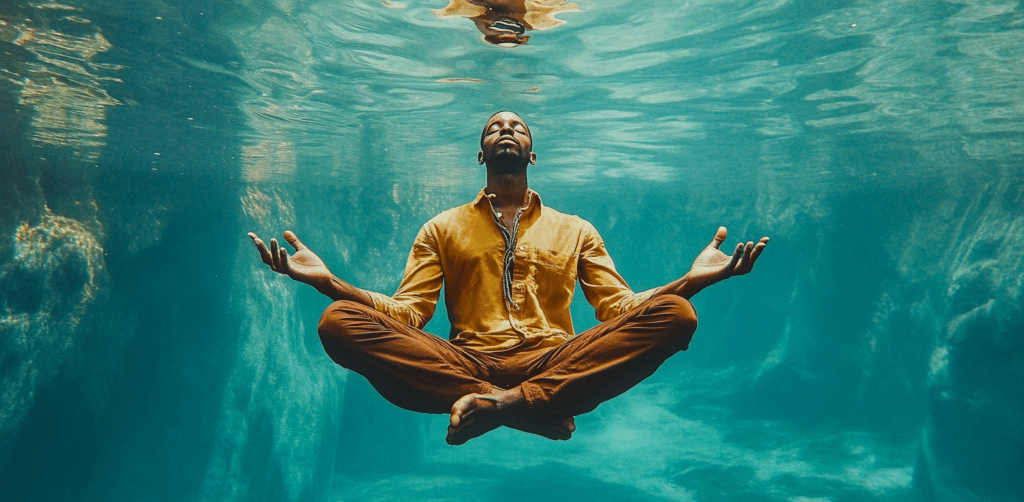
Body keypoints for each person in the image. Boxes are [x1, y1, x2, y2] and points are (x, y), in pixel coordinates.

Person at [248, 111, 768, 445]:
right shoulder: (441, 227)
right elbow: (408, 314)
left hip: (557, 358)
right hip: (464, 360)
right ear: (481, 154)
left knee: (678, 314)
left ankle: (507, 404)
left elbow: (620, 309)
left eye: (517, 127)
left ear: (532, 154)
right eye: (495, 127)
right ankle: (521, 409)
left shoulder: (577, 229)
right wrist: (327, 281)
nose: (506, 130)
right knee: (337, 323)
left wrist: (694, 279)